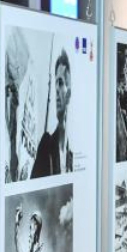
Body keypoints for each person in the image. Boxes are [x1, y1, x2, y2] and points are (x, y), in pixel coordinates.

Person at [31, 50, 73, 179]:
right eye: (55, 83)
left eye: (60, 83)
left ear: (69, 94)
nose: (56, 89)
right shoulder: (46, 144)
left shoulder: (70, 156)